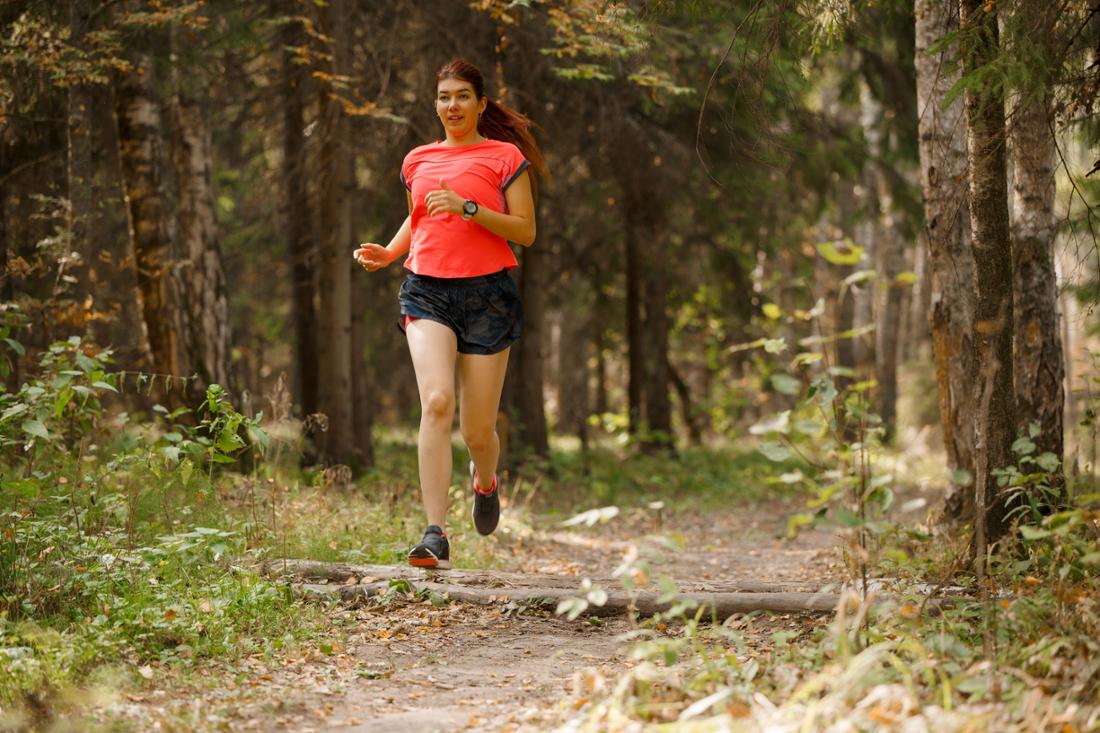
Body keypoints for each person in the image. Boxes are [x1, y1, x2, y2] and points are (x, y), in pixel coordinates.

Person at [353, 59, 547, 569]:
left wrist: (468, 208)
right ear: (434, 103)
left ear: (481, 104)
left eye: (462, 96)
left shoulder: (505, 156)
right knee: (436, 401)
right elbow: (418, 215)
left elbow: (525, 231)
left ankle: (485, 481)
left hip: (488, 296)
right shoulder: (417, 158)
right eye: (444, 97)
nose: (452, 106)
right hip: (426, 291)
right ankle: (435, 533)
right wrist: (390, 252)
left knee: (478, 432)